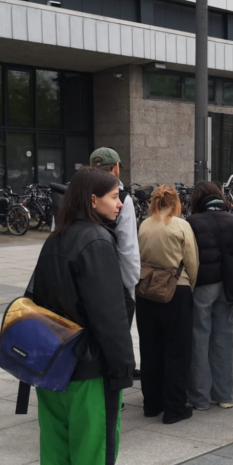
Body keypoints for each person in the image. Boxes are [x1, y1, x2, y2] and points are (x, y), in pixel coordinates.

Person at [26, 168, 135, 465]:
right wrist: (123, 369)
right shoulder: (96, 242)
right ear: (92, 200)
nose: (119, 203)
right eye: (113, 197)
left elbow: (33, 303)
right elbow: (109, 315)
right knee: (91, 464)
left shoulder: (54, 241)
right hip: (89, 372)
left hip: (53, 371)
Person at [186, 181, 233, 411]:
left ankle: (200, 398)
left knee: (200, 339)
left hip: (203, 286)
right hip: (228, 286)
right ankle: (225, 395)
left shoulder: (192, 222)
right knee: (223, 338)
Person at [136, 185, 198, 423]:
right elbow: (192, 262)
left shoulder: (144, 224)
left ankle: (151, 404)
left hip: (146, 292)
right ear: (176, 202)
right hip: (176, 290)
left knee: (150, 349)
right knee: (177, 351)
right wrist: (189, 287)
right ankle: (174, 408)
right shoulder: (182, 225)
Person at [89, 148, 140, 376]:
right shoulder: (122, 198)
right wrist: (131, 286)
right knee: (115, 339)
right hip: (112, 281)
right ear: (117, 168)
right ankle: (113, 391)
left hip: (79, 279)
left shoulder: (70, 192)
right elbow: (127, 247)